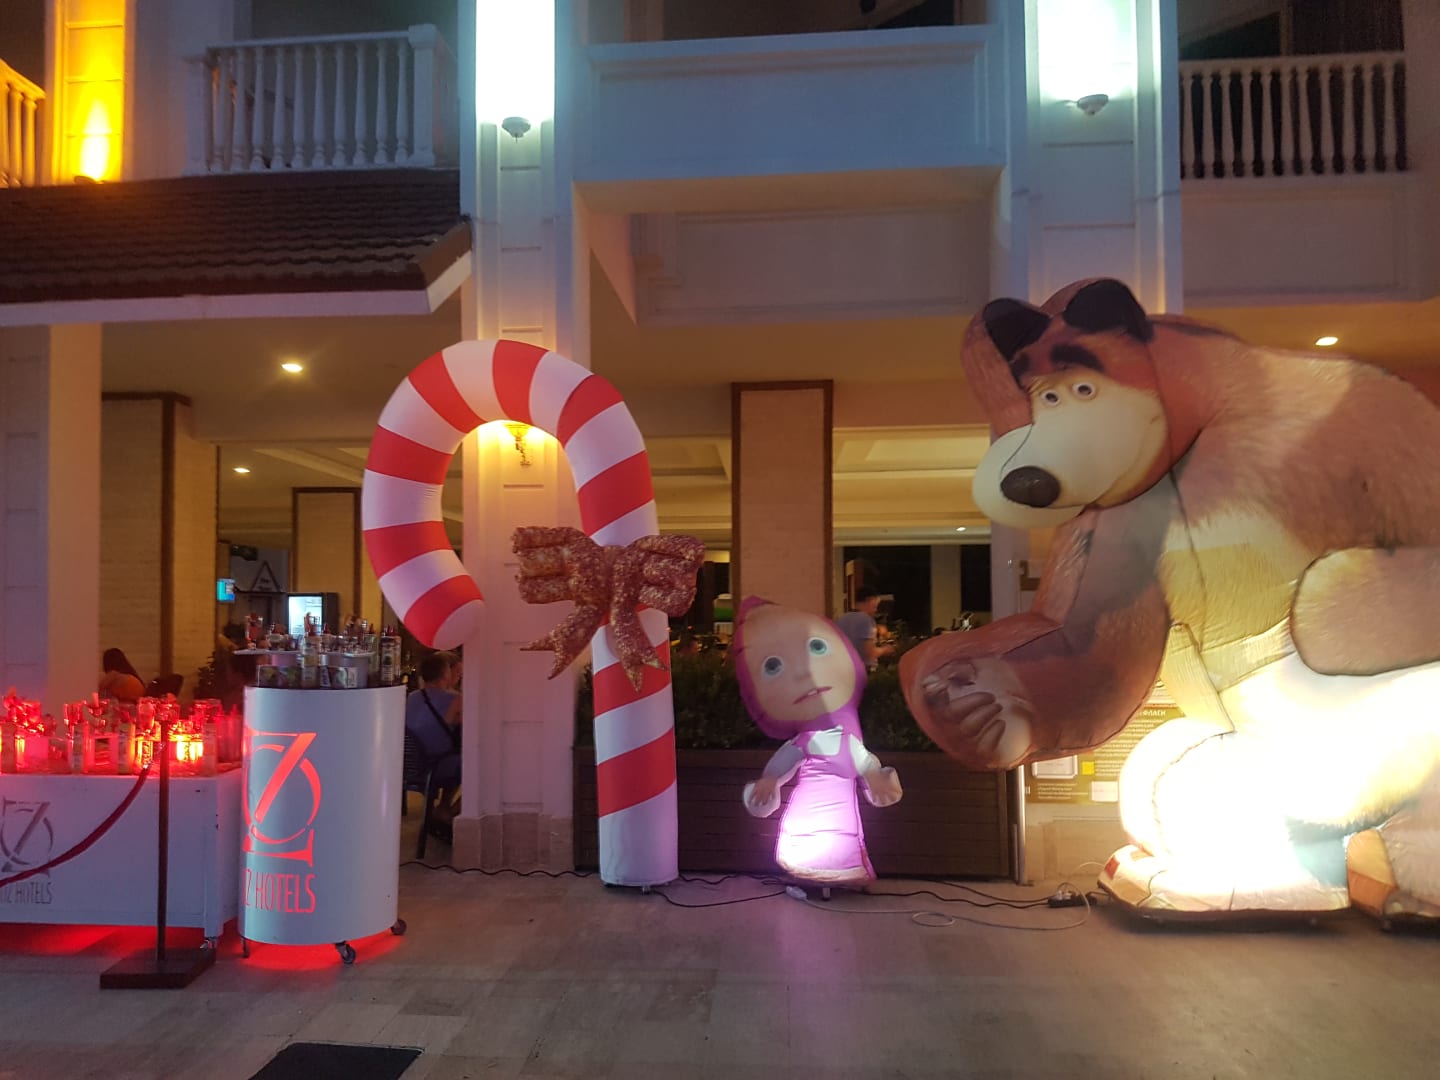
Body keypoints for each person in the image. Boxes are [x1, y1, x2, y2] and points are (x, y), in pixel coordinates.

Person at [404, 651, 463, 833]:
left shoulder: (412, 697)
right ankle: (449, 814)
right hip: (435, 766)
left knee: (456, 755)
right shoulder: (455, 700)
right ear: (445, 672)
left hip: (410, 766)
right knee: (480, 767)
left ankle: (443, 809)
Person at [834, 586, 894, 671]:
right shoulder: (866, 620)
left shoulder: (842, 619)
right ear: (869, 600)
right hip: (863, 670)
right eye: (875, 606)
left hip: (844, 669)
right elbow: (869, 653)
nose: (875, 610)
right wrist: (885, 650)